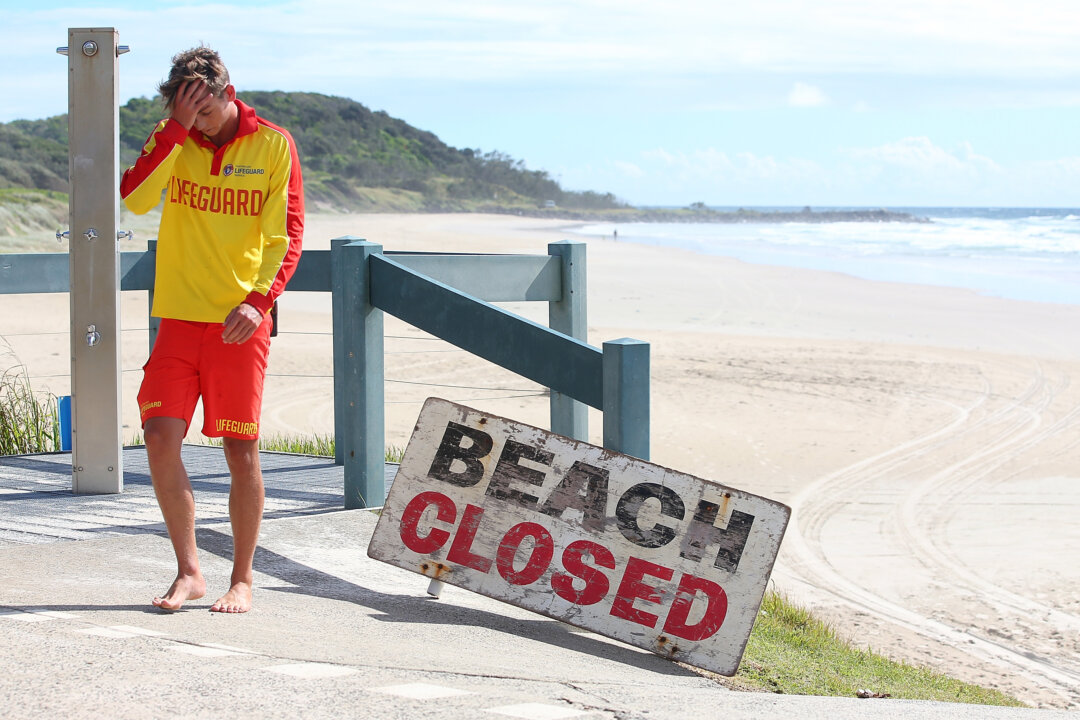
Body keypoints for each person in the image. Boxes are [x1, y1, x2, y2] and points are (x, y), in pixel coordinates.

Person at [120, 46, 304, 613]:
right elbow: (133, 197)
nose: (195, 121)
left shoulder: (273, 144)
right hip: (177, 316)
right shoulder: (172, 137)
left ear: (227, 94)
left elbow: (287, 235)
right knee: (157, 438)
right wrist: (175, 130)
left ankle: (243, 579)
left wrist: (259, 301)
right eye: (185, 111)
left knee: (239, 451)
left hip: (237, 323)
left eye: (201, 111)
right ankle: (189, 571)